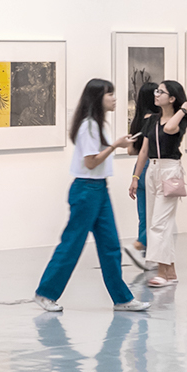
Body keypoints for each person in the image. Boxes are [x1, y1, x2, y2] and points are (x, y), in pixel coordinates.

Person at [31, 78, 148, 314]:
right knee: (72, 243)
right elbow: (91, 162)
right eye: (110, 95)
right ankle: (45, 293)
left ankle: (122, 298)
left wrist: (116, 144)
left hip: (98, 189)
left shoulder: (99, 124)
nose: (114, 98)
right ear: (98, 98)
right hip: (86, 190)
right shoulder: (89, 126)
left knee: (111, 245)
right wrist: (115, 145)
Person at [131, 79, 187, 288]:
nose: (156, 94)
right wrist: (135, 177)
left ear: (173, 98)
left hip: (170, 170)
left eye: (161, 92)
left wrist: (184, 110)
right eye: (156, 91)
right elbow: (143, 151)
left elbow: (169, 129)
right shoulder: (151, 120)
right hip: (152, 170)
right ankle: (171, 272)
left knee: (160, 224)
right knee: (154, 223)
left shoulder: (180, 120)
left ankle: (161, 272)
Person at [124, 82, 159, 263]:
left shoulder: (137, 120)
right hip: (152, 166)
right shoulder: (156, 120)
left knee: (144, 215)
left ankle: (145, 256)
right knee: (157, 215)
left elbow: (131, 151)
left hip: (138, 168)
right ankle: (141, 245)